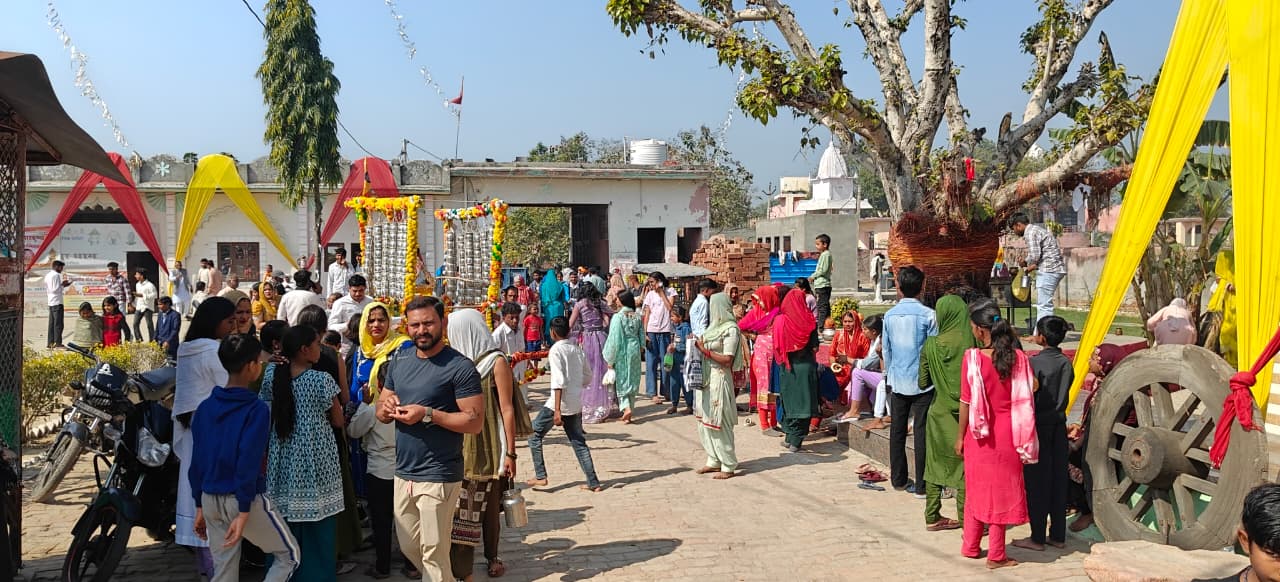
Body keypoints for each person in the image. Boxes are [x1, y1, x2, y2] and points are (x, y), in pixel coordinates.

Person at [375, 296, 484, 581]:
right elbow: (382, 407)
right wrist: (386, 409)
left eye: (428, 323)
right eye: (415, 325)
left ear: (443, 323)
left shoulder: (459, 367)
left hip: (440, 473)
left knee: (434, 552)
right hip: (403, 473)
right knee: (412, 548)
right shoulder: (400, 360)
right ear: (406, 327)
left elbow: (474, 422)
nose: (421, 330)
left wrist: (427, 414)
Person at [188, 334, 300, 582]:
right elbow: (248, 462)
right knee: (288, 555)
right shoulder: (256, 409)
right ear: (251, 365)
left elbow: (197, 462)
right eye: (259, 362)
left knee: (224, 570)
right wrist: (243, 511)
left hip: (209, 498)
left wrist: (199, 505)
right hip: (242, 499)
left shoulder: (205, 407)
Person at [447, 309, 533, 581]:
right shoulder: (454, 363)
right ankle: (463, 569)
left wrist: (511, 453)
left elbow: (507, 409)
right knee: (464, 510)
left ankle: (492, 556)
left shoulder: (496, 362)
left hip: (491, 447)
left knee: (489, 508)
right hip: (461, 444)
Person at [957, 298, 1038, 569]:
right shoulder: (1018, 360)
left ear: (980, 330)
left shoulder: (972, 359)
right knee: (1001, 493)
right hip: (1009, 435)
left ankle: (971, 546)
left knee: (976, 489)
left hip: (978, 435)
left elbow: (966, 402)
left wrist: (960, 437)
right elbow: (1032, 389)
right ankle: (996, 554)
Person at [260, 325, 346, 581]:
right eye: (317, 344)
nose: (321, 349)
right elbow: (339, 421)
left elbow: (266, 406)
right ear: (304, 350)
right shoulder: (321, 380)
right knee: (318, 520)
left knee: (283, 518)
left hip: (282, 452)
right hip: (317, 456)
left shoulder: (272, 374)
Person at [347, 302, 415, 580]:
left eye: (381, 320)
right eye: (371, 320)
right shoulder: (361, 352)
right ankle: (410, 563)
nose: (376, 325)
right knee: (404, 516)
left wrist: (365, 405)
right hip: (393, 457)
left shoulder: (403, 347)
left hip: (382, 459)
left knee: (386, 514)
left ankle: (385, 564)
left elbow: (354, 428)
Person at [174, 297, 238, 577]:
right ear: (215, 323)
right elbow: (230, 386)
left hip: (193, 432)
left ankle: (208, 570)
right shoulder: (213, 350)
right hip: (214, 432)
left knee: (195, 498)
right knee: (215, 502)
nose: (233, 327)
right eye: (229, 322)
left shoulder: (186, 349)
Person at [1064, 341, 1144, 533]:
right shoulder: (1103, 386)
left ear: (1105, 363)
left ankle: (1089, 510)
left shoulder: (1116, 391)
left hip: (1112, 443)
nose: (1089, 362)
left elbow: (1105, 425)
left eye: (1094, 358)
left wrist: (1075, 444)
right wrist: (1079, 428)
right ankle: (1078, 504)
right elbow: (1092, 420)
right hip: (1096, 435)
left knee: (1068, 458)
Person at [1013, 315, 1073, 552]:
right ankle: (1058, 534)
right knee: (1058, 480)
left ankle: (1037, 536)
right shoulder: (1066, 363)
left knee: (1037, 481)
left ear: (1042, 337)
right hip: (1059, 425)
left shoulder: (1035, 363)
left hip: (1037, 426)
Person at [918, 295, 976, 531]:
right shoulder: (974, 345)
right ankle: (967, 520)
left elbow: (922, 383)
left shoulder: (931, 344)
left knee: (934, 465)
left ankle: (932, 515)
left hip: (938, 412)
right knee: (964, 468)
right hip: (967, 415)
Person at [526, 316, 603, 492]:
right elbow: (588, 376)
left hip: (558, 403)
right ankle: (593, 481)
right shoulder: (576, 349)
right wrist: (576, 386)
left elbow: (558, 381)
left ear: (553, 332)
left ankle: (540, 475)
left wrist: (558, 410)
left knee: (534, 434)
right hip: (575, 401)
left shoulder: (556, 351)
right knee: (578, 442)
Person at [882, 265, 937, 496]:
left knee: (897, 430)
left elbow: (886, 350)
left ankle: (898, 479)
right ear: (922, 287)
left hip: (898, 379)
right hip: (923, 381)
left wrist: (888, 377)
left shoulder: (889, 315)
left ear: (899, 287)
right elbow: (933, 349)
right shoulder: (928, 315)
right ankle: (923, 485)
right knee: (922, 432)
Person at [693, 293, 744, 479]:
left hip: (719, 378)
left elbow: (728, 360)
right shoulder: (712, 328)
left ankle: (728, 464)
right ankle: (713, 459)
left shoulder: (731, 330)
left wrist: (704, 351)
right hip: (706, 379)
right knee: (705, 421)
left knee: (719, 421)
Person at [774, 289, 820, 452]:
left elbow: (777, 346)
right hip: (805, 367)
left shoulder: (781, 321)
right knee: (803, 403)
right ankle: (795, 439)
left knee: (790, 402)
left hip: (788, 368)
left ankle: (790, 437)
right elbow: (815, 347)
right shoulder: (809, 322)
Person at [739, 285, 783, 435]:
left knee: (775, 386)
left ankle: (774, 422)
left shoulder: (778, 312)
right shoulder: (756, 312)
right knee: (764, 386)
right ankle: (765, 424)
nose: (760, 303)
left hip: (775, 353)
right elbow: (740, 326)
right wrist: (752, 336)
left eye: (762, 300)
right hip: (761, 353)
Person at [1010, 213, 1066, 327]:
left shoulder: (1030, 233)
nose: (1014, 232)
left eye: (1013, 229)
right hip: (1052, 268)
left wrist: (1025, 263)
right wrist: (1026, 267)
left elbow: (1035, 256)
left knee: (1044, 305)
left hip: (1049, 269)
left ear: (1018, 225)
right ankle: (1040, 332)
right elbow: (1037, 259)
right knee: (1044, 305)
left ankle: (1043, 335)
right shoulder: (1036, 230)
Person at [570, 282, 614, 423]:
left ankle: (590, 404)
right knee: (602, 371)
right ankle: (603, 404)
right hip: (602, 338)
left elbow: (571, 323)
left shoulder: (580, 304)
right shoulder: (599, 303)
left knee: (589, 370)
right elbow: (608, 319)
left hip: (588, 339)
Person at [602, 291, 644, 424]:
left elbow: (615, 338)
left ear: (623, 301)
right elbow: (642, 335)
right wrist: (640, 347)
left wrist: (610, 358)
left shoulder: (618, 317)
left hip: (622, 350)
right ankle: (629, 411)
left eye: (618, 299)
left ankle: (626, 407)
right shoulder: (637, 316)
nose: (616, 300)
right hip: (635, 348)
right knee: (633, 377)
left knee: (622, 379)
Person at [836, 314, 884, 422]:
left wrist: (848, 360)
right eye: (845, 321)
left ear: (874, 331)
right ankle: (857, 408)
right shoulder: (873, 340)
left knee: (857, 372)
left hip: (886, 377)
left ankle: (854, 410)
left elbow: (867, 363)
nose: (863, 331)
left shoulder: (880, 342)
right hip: (872, 373)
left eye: (866, 329)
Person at [642, 271, 676, 403]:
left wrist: (661, 292)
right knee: (651, 362)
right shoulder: (650, 295)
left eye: (653, 282)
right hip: (652, 330)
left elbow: (670, 308)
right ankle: (652, 392)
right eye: (650, 282)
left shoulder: (670, 291)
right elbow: (647, 313)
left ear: (660, 281)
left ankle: (666, 390)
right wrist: (644, 333)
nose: (651, 285)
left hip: (665, 330)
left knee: (666, 362)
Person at [492, 302, 528, 403]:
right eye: (511, 318)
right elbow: (494, 357)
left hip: (520, 373)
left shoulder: (519, 329)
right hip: (506, 375)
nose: (515, 320)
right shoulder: (498, 334)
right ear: (503, 318)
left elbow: (522, 349)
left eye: (517, 317)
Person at [829, 310, 870, 396]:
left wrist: (849, 361)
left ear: (856, 322)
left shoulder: (863, 337)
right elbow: (831, 354)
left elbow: (867, 359)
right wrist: (834, 366)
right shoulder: (839, 334)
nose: (847, 324)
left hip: (856, 368)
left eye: (850, 321)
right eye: (845, 321)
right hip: (839, 369)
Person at [668, 306, 693, 415]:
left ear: (680, 317)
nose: (671, 318)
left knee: (684, 382)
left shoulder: (685, 328)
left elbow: (688, 345)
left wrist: (677, 348)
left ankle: (689, 405)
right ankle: (674, 404)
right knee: (674, 382)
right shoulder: (675, 328)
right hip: (675, 360)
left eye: (673, 316)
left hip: (683, 360)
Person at [44, 260, 72, 348]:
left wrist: (61, 285)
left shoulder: (48, 275)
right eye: (61, 267)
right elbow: (55, 289)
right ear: (56, 266)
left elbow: (51, 289)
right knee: (58, 324)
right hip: (57, 301)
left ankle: (50, 342)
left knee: (52, 324)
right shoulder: (55, 275)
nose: (61, 269)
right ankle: (58, 342)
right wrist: (63, 285)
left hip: (51, 301)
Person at [810, 234, 833, 327]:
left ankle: (821, 327)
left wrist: (813, 276)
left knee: (822, 307)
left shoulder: (825, 255)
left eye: (818, 244)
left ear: (825, 244)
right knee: (825, 307)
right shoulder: (825, 255)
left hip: (822, 285)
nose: (816, 246)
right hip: (822, 284)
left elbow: (822, 270)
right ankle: (827, 326)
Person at [540, 268, 567, 341]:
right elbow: (564, 298)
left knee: (549, 323)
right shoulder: (560, 285)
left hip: (548, 307)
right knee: (559, 322)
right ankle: (559, 337)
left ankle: (549, 339)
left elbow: (542, 297)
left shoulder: (544, 286)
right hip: (559, 306)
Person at [133, 269, 158, 342]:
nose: (135, 276)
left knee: (149, 324)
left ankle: (152, 340)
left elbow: (155, 295)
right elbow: (137, 296)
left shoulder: (150, 285)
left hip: (147, 306)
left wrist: (143, 295)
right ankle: (139, 339)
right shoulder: (137, 284)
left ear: (141, 275)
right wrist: (133, 304)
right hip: (139, 306)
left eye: (137, 274)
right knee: (135, 323)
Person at [523, 303, 544, 367]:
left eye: (537, 309)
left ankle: (535, 368)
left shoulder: (539, 319)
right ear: (529, 310)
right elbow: (524, 329)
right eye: (534, 309)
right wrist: (524, 338)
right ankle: (528, 366)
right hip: (529, 340)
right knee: (529, 354)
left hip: (537, 339)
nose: (536, 311)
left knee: (537, 355)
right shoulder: (527, 319)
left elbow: (540, 329)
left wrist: (542, 338)